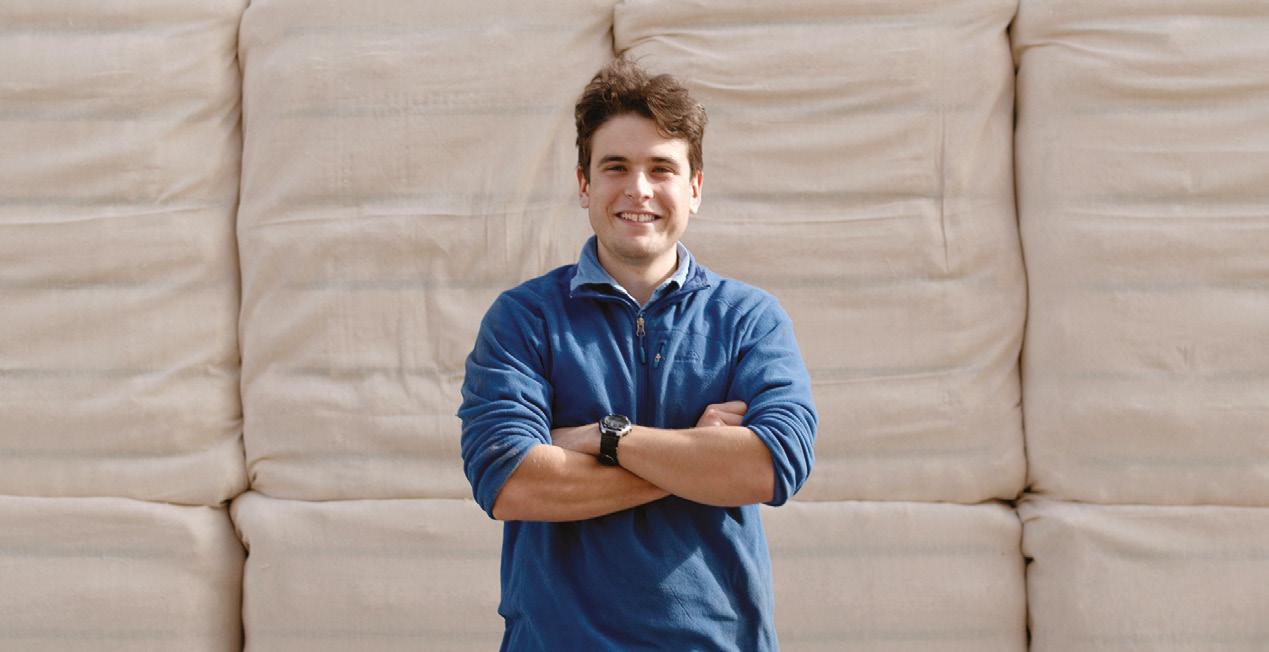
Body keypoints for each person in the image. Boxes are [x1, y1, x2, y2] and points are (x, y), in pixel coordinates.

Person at [458, 57, 817, 651]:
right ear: (584, 184)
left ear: (694, 187)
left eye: (662, 168)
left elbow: (771, 467)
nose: (639, 189)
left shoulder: (749, 319)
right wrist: (698, 460)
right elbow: (511, 482)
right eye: (616, 167)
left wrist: (605, 438)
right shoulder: (523, 319)